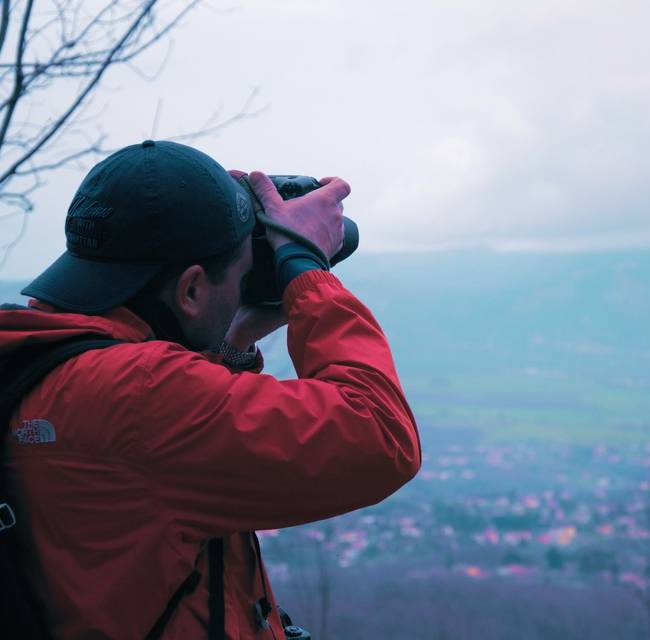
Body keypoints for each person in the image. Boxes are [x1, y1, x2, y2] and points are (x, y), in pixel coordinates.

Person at [0, 140, 421, 638]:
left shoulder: (41, 359)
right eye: (242, 275)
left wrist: (232, 338)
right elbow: (377, 437)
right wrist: (307, 272)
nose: (247, 285)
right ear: (192, 290)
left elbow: (151, 460)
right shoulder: (141, 393)